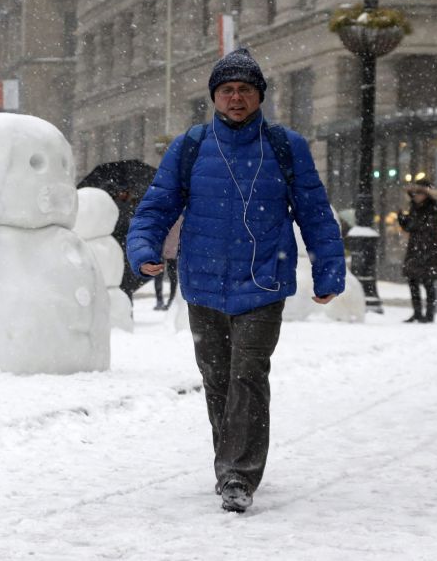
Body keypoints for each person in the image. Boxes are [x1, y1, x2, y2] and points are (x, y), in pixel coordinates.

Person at [127, 48, 346, 513]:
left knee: (248, 375)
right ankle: (229, 460)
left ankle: (238, 475)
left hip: (263, 281)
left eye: (245, 89)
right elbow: (156, 206)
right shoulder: (189, 146)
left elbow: (315, 212)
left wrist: (328, 268)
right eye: (227, 89)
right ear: (214, 97)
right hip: (203, 283)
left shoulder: (286, 146)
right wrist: (143, 248)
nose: (236, 97)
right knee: (217, 379)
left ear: (259, 96)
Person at [397, 178, 437, 323]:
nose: (416, 196)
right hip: (415, 249)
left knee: (428, 283)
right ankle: (417, 312)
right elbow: (410, 227)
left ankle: (429, 315)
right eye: (415, 193)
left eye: (419, 193)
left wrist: (412, 223)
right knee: (412, 281)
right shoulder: (414, 208)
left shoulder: (433, 209)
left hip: (429, 249)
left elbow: (426, 227)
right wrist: (402, 219)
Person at [152, 218, 181, 310]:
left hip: (170, 249)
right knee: (161, 275)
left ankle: (169, 300)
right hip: (165, 248)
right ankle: (162, 300)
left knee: (169, 275)